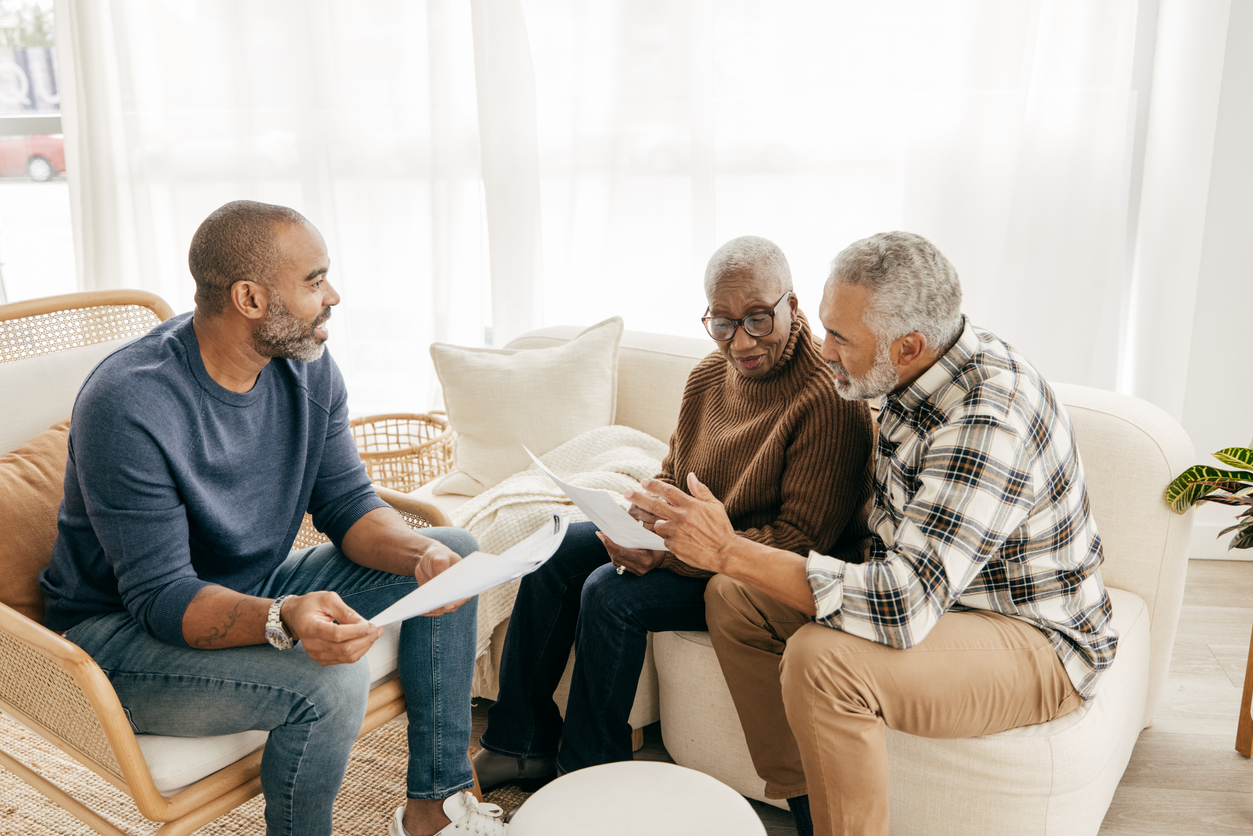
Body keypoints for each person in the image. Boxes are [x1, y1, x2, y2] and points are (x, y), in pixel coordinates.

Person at [627, 231, 1118, 836]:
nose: (822, 348)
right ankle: (806, 806)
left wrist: (728, 548)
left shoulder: (986, 421)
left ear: (909, 345)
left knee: (820, 660)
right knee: (733, 598)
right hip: (941, 596)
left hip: (1034, 638)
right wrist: (728, 561)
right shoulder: (914, 369)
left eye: (839, 338)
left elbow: (902, 606)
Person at [39, 201, 504, 836]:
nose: (332, 295)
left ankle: (436, 806)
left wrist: (416, 556)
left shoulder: (305, 365)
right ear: (251, 298)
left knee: (452, 547)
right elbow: (160, 596)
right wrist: (282, 618)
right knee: (327, 685)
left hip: (245, 582)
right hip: (115, 636)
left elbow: (348, 507)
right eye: (314, 280)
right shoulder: (128, 404)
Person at [471, 235, 874, 791]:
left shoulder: (828, 399)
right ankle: (518, 744)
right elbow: (673, 474)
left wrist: (670, 556)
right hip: (693, 545)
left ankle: (590, 775)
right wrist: (636, 524)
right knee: (557, 546)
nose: (741, 341)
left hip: (761, 572)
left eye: (759, 318)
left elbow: (801, 543)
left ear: (793, 307)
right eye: (723, 323)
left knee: (609, 594)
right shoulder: (709, 375)